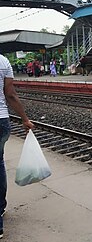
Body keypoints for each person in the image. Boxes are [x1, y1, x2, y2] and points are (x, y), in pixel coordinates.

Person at [0, 54, 34, 238]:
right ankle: (1, 207)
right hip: (1, 122)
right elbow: (10, 94)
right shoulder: (3, 61)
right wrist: (25, 119)